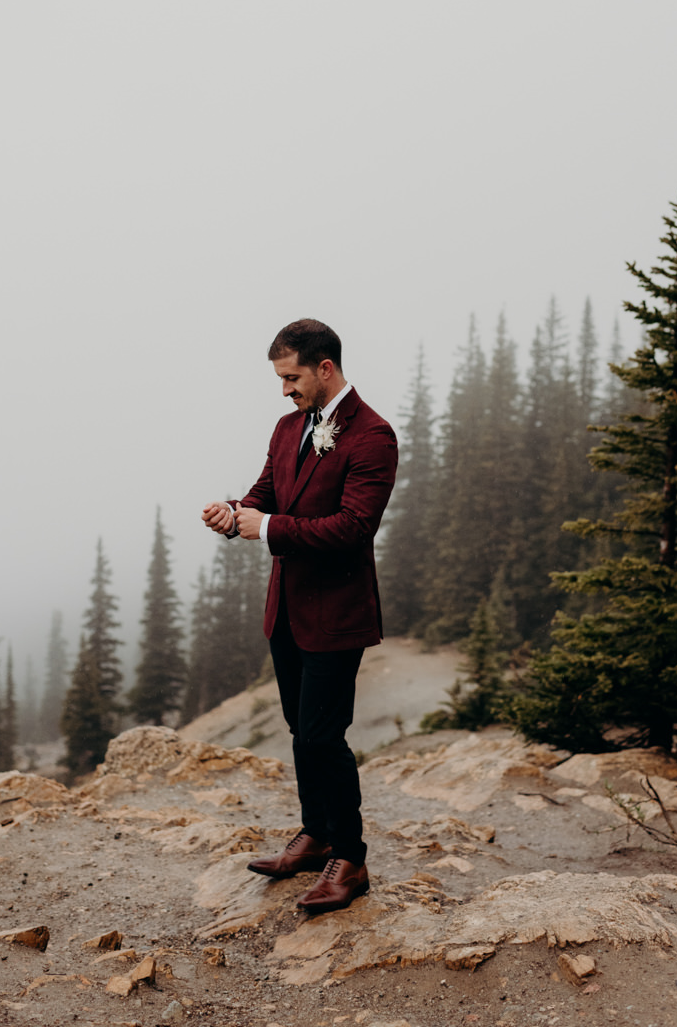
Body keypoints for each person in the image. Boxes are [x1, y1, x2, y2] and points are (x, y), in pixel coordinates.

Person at [201, 318, 398, 915]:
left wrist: (270, 527)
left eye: (292, 378)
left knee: (322, 734)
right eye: (282, 379)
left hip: (337, 614)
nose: (285, 390)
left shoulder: (373, 436)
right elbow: (265, 492)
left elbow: (354, 528)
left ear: (325, 369)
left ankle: (351, 858)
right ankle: (315, 835)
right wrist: (235, 512)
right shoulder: (289, 428)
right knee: (299, 727)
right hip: (286, 609)